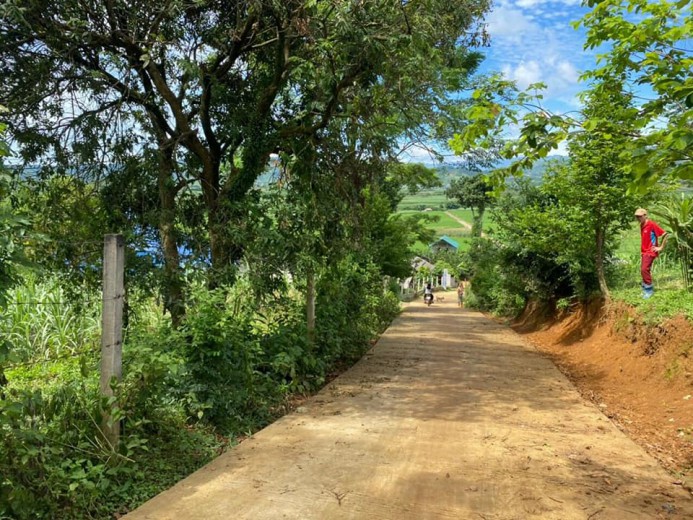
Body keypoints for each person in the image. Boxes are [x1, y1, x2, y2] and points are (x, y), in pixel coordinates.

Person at [635, 208, 668, 299]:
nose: (638, 218)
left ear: (645, 215)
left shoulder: (651, 224)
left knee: (644, 269)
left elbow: (665, 234)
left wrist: (660, 247)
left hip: (650, 251)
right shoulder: (642, 225)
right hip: (644, 251)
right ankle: (645, 289)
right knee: (644, 270)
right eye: (637, 217)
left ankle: (649, 290)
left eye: (640, 216)